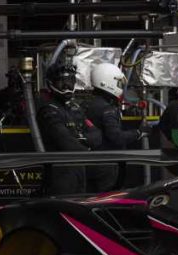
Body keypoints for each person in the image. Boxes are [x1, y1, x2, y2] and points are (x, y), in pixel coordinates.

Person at [37, 62, 102, 195]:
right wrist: (85, 144)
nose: (67, 85)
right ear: (50, 83)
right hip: (60, 173)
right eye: (61, 81)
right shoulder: (48, 111)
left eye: (70, 80)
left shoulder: (75, 108)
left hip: (79, 170)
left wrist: (81, 138)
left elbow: (97, 136)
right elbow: (67, 143)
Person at [85, 63, 141, 192]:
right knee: (108, 198)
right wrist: (138, 133)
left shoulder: (87, 104)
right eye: (118, 83)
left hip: (89, 162)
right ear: (107, 82)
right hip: (106, 163)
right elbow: (116, 137)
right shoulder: (107, 108)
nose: (120, 87)